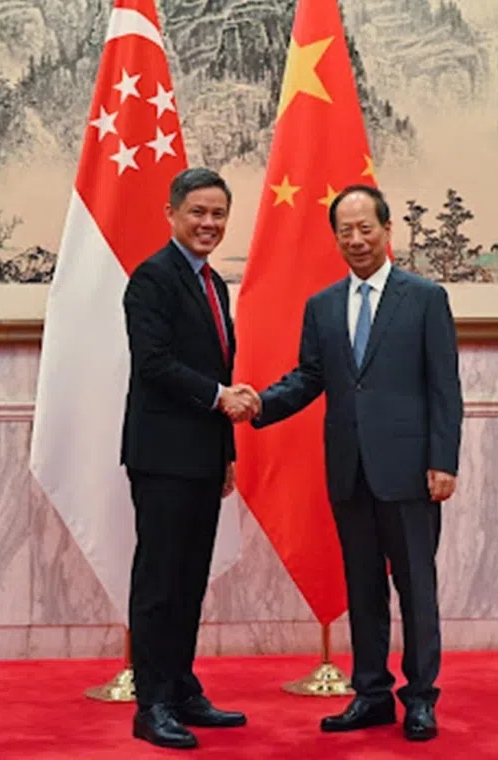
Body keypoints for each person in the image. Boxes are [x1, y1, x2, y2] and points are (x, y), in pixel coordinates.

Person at [248, 184, 463, 742]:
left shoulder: (424, 298)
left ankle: (420, 698)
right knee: (362, 588)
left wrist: (443, 460)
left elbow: (445, 388)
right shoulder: (322, 306)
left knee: (416, 587)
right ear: (335, 238)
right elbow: (309, 377)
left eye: (366, 227)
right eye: (345, 230)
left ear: (388, 231)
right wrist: (259, 405)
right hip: (349, 469)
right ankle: (371, 694)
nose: (356, 239)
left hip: (411, 471)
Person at [121, 167, 257, 749]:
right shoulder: (151, 279)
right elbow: (154, 364)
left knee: (190, 580)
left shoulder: (212, 283)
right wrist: (221, 399)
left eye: (218, 214)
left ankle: (181, 687)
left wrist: (226, 452)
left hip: (202, 458)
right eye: (198, 212)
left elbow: (216, 370)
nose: (209, 224)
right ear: (172, 213)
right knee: (159, 582)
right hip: (162, 457)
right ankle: (151, 704)